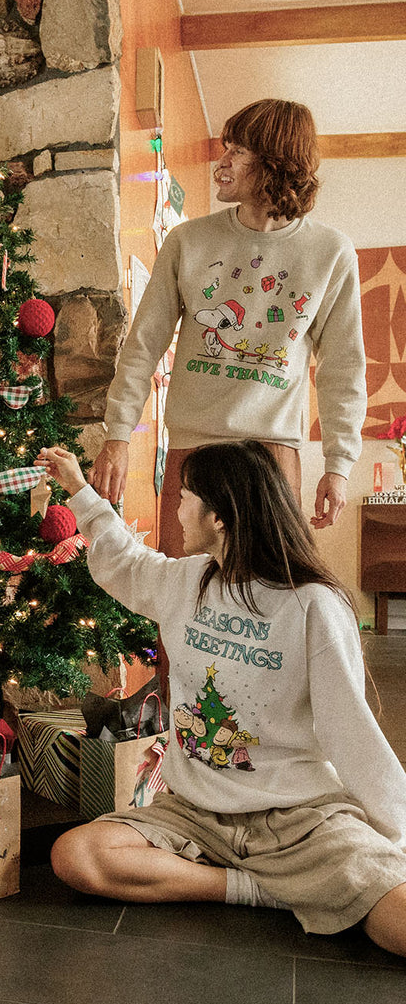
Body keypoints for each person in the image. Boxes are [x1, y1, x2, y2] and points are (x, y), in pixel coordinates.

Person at [38, 440, 406, 957]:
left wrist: (395, 834)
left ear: (220, 517)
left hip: (296, 820)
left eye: (185, 497)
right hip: (195, 812)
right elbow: (124, 561)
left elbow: (350, 730)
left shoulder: (314, 606)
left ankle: (292, 878)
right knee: (77, 856)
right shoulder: (187, 581)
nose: (177, 509)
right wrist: (79, 489)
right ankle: (260, 888)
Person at [90, 99, 365, 556]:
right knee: (181, 589)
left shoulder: (331, 253)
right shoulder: (187, 241)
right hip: (192, 449)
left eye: (237, 152)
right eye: (226, 148)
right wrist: (118, 435)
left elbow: (343, 369)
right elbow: (143, 346)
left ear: (274, 162)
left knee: (267, 590)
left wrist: (338, 466)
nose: (222, 163)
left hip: (272, 456)